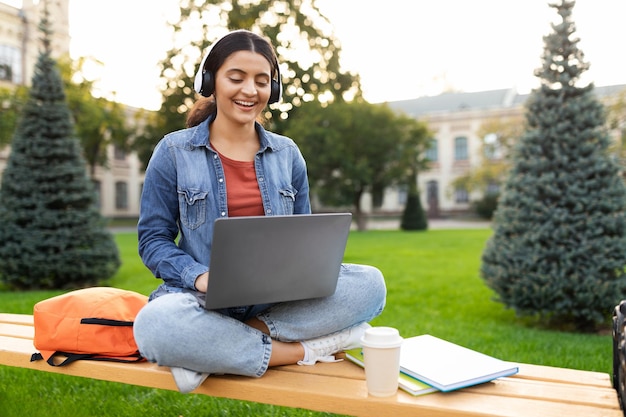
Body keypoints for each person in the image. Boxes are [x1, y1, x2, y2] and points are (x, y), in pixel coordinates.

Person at [133, 29, 387, 394]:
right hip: (201, 298)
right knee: (157, 325)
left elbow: (305, 239)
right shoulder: (173, 151)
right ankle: (305, 349)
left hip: (275, 301)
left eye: (261, 81)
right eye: (236, 78)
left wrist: (307, 272)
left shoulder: (288, 154)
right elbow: (153, 241)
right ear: (210, 81)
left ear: (274, 89)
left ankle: (214, 351)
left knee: (371, 285)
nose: (249, 91)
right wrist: (200, 276)